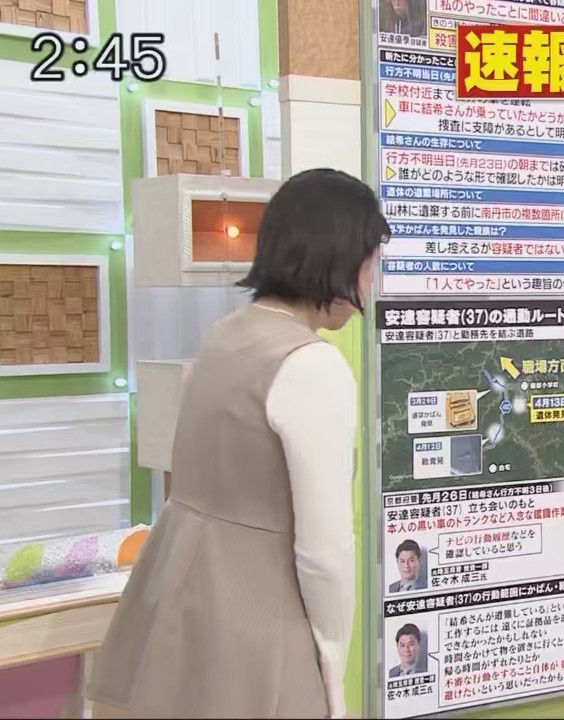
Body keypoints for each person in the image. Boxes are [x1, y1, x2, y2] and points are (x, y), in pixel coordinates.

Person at [87, 169, 391, 719]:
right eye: (372, 262)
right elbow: (324, 551)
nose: (371, 283)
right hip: (257, 622)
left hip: (175, 601)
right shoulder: (311, 364)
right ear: (341, 257)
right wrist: (332, 668)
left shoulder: (225, 334)